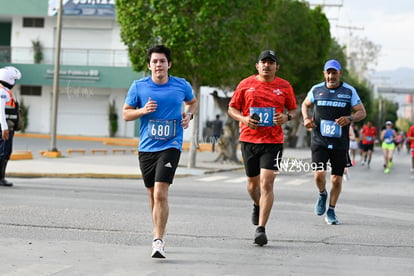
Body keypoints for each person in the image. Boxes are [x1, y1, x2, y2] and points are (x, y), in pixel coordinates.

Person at [122, 45, 197, 258]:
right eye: (154, 61)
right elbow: (126, 114)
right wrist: (143, 111)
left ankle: (158, 241)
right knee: (152, 195)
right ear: (149, 65)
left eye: (162, 61)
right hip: (146, 148)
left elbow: (192, 103)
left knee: (160, 192)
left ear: (169, 64)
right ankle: (157, 231)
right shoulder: (139, 87)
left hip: (171, 145)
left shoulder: (181, 85)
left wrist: (189, 116)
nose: (158, 65)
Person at [228, 50, 297, 246]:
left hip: (273, 142)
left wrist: (287, 117)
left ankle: (261, 229)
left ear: (277, 67)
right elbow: (232, 108)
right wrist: (244, 119)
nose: (267, 65)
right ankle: (257, 204)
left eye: (271, 63)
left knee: (267, 184)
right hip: (249, 140)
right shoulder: (245, 84)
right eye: (263, 62)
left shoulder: (284, 86)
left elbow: (293, 109)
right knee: (252, 186)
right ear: (257, 66)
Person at [301, 59, 366, 225]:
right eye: (328, 73)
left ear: (340, 74)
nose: (331, 76)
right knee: (319, 175)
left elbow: (361, 112)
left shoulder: (349, 91)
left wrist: (349, 118)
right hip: (319, 140)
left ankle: (331, 210)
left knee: (336, 179)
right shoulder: (316, 90)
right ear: (324, 74)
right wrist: (306, 118)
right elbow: (304, 104)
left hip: (340, 143)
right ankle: (322, 194)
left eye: (334, 73)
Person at [0, 66, 22, 187]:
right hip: (4, 129)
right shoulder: (2, 92)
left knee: (5, 152)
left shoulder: (4, 91)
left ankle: (1, 177)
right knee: (3, 152)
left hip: (7, 128)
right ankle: (0, 178)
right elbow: (0, 112)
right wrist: (4, 128)